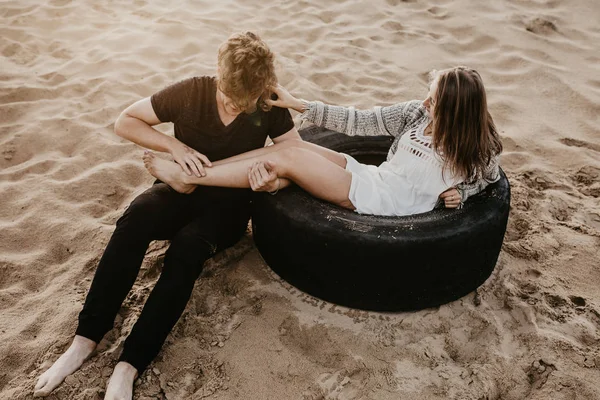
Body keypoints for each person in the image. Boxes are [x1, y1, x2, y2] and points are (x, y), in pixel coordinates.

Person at [33, 32, 299, 399]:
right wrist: (174, 145)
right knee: (135, 216)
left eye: (246, 104)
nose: (238, 108)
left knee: (187, 248)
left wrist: (273, 183)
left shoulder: (267, 102)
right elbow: (125, 121)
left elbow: (296, 157)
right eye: (229, 99)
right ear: (218, 77)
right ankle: (85, 340)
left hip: (229, 207)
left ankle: (130, 365)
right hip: (179, 191)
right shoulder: (191, 92)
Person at [142, 66, 502, 218]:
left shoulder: (475, 150)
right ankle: (195, 170)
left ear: (457, 113)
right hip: (375, 176)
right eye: (428, 95)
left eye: (434, 101)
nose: (425, 104)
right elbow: (360, 121)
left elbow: (489, 178)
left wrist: (464, 193)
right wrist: (300, 105)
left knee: (290, 163)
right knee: (286, 149)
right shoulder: (415, 115)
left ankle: (189, 178)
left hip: (389, 203)